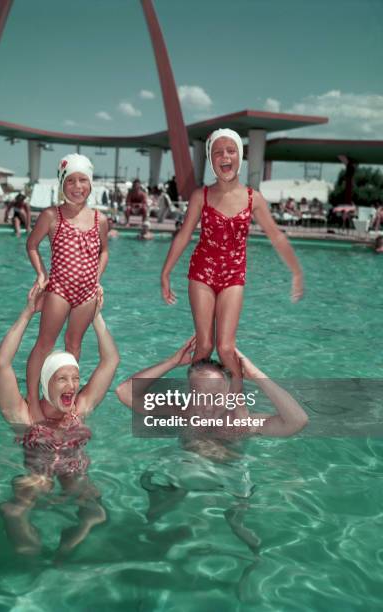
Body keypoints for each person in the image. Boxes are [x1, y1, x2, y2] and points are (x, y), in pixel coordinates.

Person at [116, 338, 308, 534]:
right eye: (200, 396)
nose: (207, 407)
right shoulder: (182, 413)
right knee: (152, 504)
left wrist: (257, 376)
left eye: (216, 397)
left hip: (230, 478)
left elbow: (297, 421)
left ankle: (237, 526)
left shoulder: (241, 423)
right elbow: (124, 392)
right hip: (183, 470)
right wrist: (171, 362)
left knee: (242, 521)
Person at [160, 129, 303, 389]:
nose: (224, 156)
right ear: (211, 160)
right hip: (202, 273)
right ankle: (197, 403)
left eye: (231, 150)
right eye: (218, 152)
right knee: (204, 345)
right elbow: (183, 236)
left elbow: (276, 237)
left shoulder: (253, 199)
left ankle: (236, 404)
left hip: (233, 277)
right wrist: (166, 272)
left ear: (240, 156)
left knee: (226, 348)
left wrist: (296, 272)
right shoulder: (200, 196)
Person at [0, 286, 119, 558]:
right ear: (45, 382)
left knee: (96, 511)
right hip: (37, 477)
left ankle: (66, 550)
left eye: (75, 378)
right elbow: (2, 363)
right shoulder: (24, 415)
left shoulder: (79, 409)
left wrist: (96, 316)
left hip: (74, 474)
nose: (72, 385)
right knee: (30, 492)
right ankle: (27, 548)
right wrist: (28, 313)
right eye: (62, 378)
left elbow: (110, 361)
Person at [26, 154, 109, 415]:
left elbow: (104, 251)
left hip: (86, 294)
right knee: (45, 344)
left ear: (90, 183)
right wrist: (41, 274)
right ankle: (32, 398)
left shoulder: (100, 220)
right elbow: (31, 245)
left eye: (82, 180)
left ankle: (66, 400)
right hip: (59, 290)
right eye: (70, 180)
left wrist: (97, 279)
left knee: (74, 345)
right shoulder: (52, 216)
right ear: (62, 184)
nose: (77, 186)